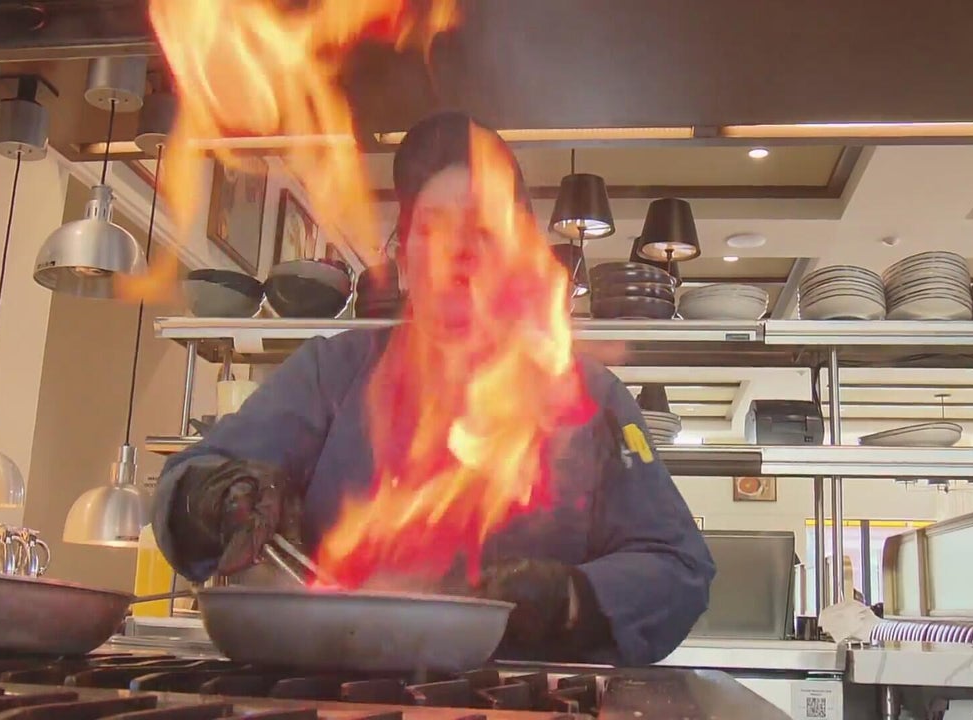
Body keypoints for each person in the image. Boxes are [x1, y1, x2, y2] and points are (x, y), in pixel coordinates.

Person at [151, 111, 715, 666]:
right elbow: (186, 483)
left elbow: (677, 568)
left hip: (523, 697)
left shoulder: (592, 398)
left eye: (484, 230)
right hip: (331, 685)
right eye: (435, 228)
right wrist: (209, 498)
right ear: (404, 261)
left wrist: (569, 598)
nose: (460, 250)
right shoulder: (332, 372)